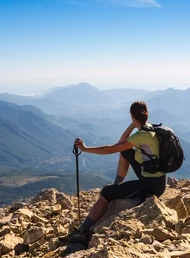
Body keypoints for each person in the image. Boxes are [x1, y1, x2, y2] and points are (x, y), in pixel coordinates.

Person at [65, 101, 166, 247]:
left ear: (132, 116)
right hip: (156, 177)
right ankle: (117, 185)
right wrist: (133, 125)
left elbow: (111, 149)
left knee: (106, 192)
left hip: (151, 186)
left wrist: (85, 149)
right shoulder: (151, 129)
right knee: (125, 150)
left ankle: (83, 230)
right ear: (147, 114)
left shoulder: (142, 136)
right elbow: (122, 144)